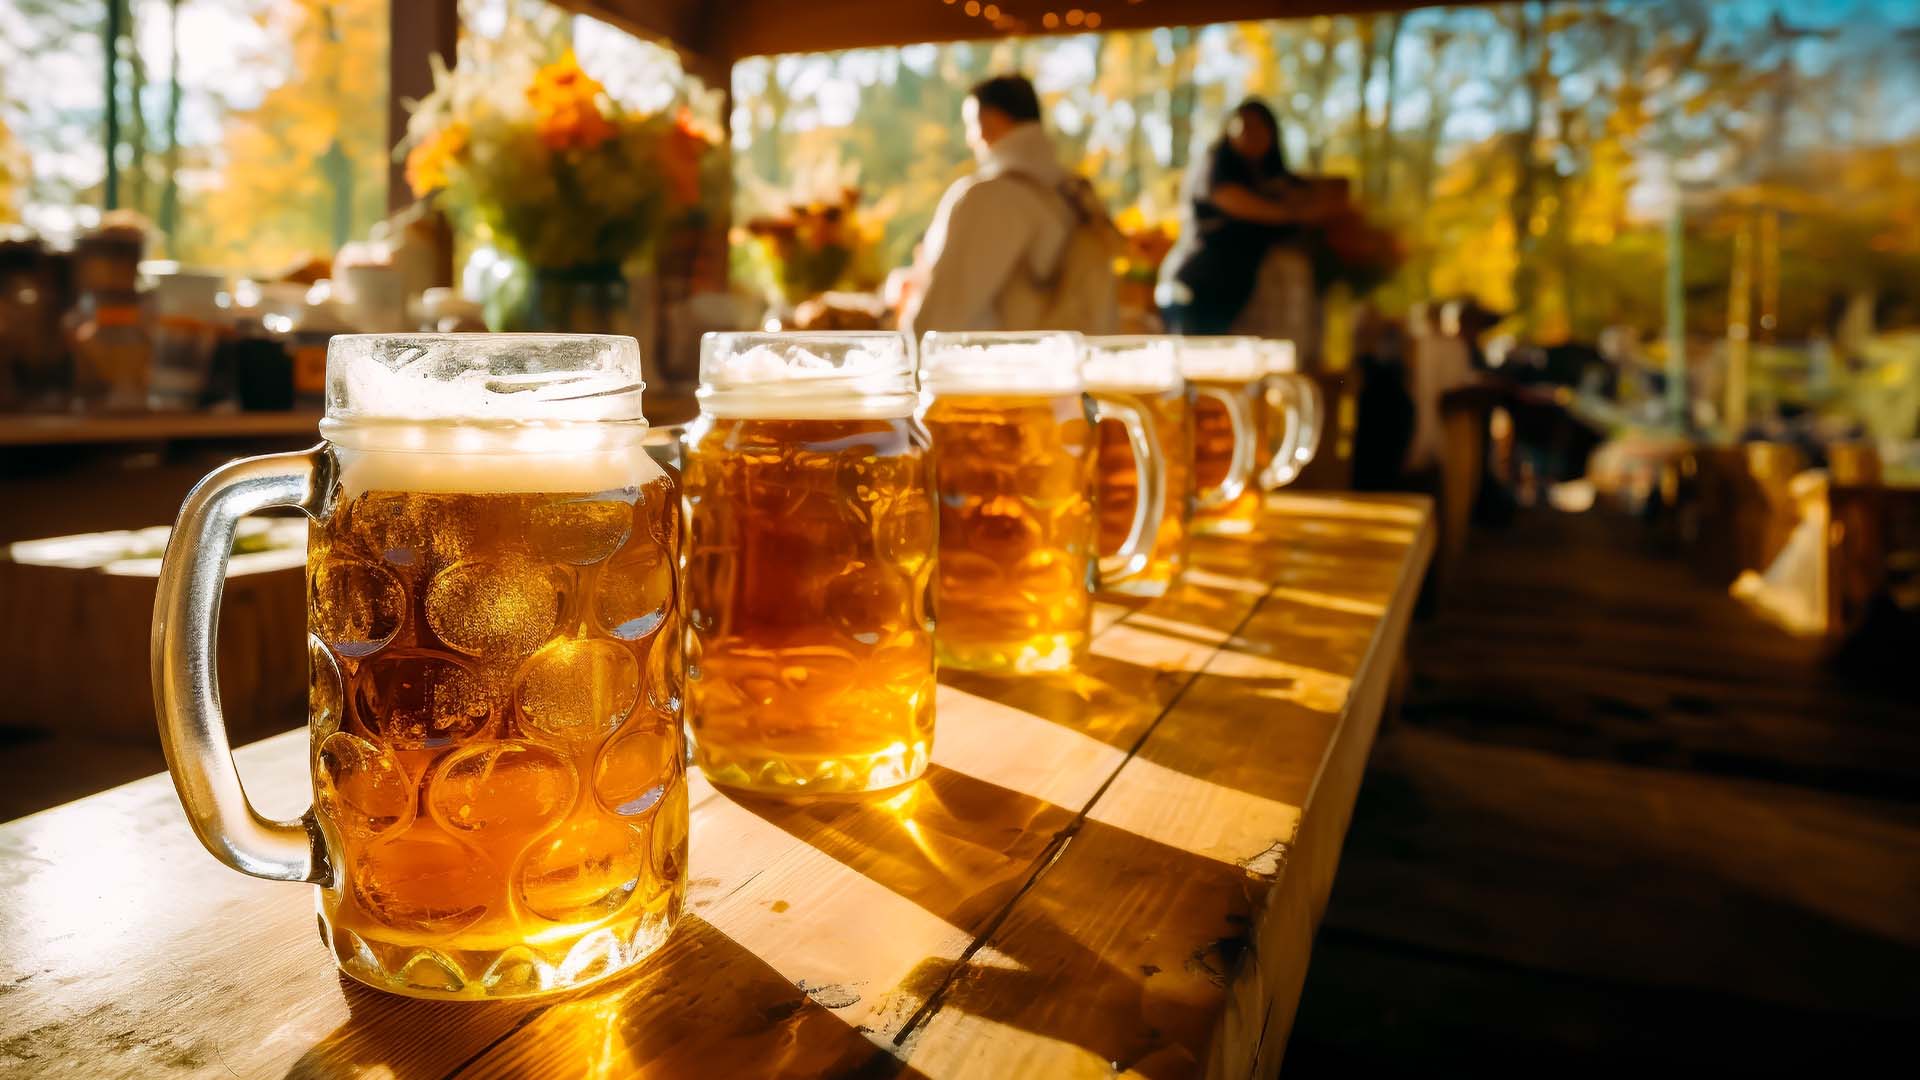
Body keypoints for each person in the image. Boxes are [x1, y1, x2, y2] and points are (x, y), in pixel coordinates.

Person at [901, 75, 1116, 337]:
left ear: (990, 121)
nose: (970, 139)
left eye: (970, 125)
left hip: (1001, 372)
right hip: (1066, 367)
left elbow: (940, 320)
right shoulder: (1074, 194)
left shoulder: (990, 199)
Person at [1159, 99, 1332, 336]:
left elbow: (1323, 199)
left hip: (1228, 298)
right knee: (1196, 363)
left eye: (1259, 126)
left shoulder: (1267, 176)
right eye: (1243, 125)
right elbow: (1233, 199)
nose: (1250, 133)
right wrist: (1294, 213)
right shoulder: (1216, 162)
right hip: (1192, 288)